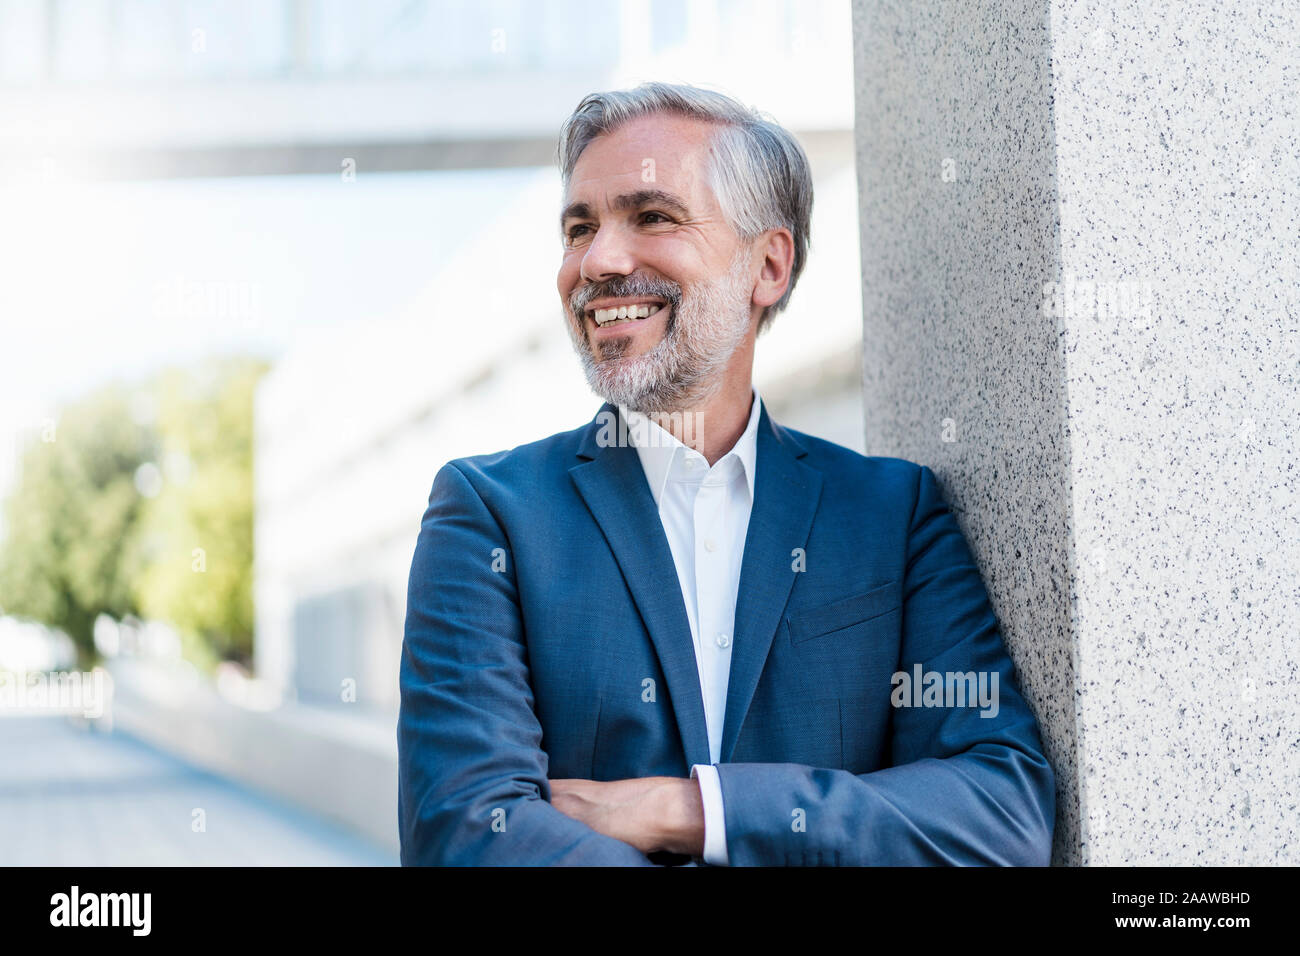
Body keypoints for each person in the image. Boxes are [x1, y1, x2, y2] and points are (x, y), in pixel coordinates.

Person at [397, 82, 1055, 866]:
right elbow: (467, 832)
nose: (598, 261)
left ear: (767, 265)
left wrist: (696, 810)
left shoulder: (892, 516)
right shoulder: (490, 514)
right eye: (580, 228)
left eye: (651, 216)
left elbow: (1001, 813)